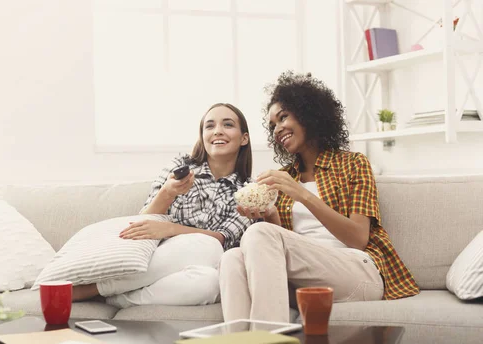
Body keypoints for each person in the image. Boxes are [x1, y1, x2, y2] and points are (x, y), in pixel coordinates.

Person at [219, 71, 419, 323]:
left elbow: (358, 238)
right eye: (272, 126)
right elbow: (282, 246)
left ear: (308, 114)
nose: (278, 129)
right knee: (232, 258)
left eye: (283, 117)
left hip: (359, 272)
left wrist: (302, 194)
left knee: (257, 235)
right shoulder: (285, 176)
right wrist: (270, 214)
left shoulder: (353, 163)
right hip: (305, 278)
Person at [73, 103, 253, 308]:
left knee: (210, 281)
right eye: (209, 126)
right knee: (206, 245)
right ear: (202, 136)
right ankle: (96, 288)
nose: (217, 131)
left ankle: (114, 298)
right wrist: (167, 192)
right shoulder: (180, 166)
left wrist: (170, 229)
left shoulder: (249, 191)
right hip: (159, 255)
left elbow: (222, 239)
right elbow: (143, 221)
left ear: (244, 138)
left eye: (227, 125)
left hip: (204, 262)